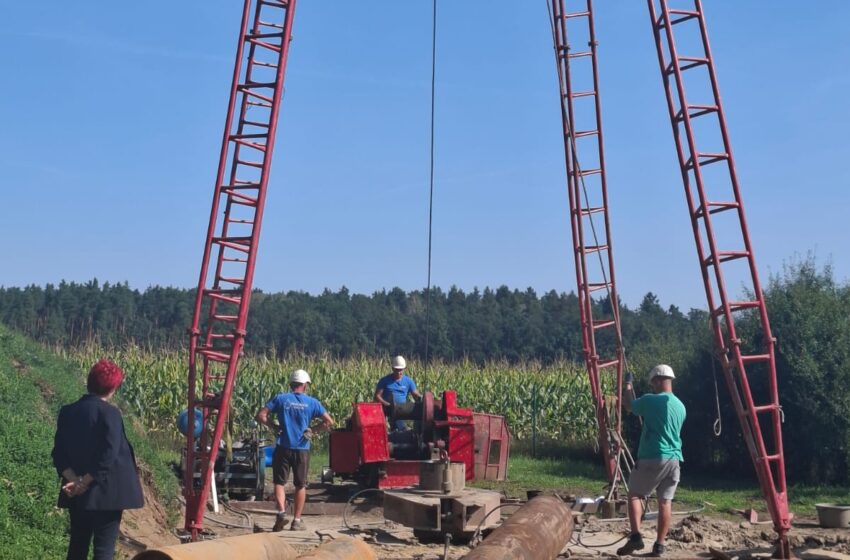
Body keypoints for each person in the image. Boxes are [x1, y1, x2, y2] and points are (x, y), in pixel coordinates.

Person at [51, 359, 144, 560]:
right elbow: (108, 455)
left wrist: (74, 481)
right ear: (113, 388)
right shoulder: (110, 413)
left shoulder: (68, 411)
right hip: (107, 493)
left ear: (89, 381)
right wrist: (85, 482)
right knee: (103, 549)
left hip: (74, 491)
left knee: (77, 546)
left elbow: (58, 453)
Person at [617, 364, 686, 558]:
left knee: (634, 495)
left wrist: (628, 385)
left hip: (652, 456)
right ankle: (659, 546)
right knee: (665, 501)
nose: (652, 386)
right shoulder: (681, 406)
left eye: (653, 383)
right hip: (674, 459)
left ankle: (636, 536)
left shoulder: (651, 400)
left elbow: (629, 405)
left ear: (657, 380)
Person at [256, 369, 334, 532]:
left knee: (279, 482)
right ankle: (297, 521)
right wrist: (313, 430)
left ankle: (281, 512)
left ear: (292, 384)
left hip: (283, 446)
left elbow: (261, 415)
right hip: (302, 449)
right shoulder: (312, 403)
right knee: (300, 485)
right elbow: (328, 421)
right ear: (305, 385)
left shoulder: (281, 399)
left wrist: (274, 426)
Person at [374, 355, 422, 431]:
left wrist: (421, 398)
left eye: (401, 370)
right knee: (397, 423)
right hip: (387, 409)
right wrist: (386, 404)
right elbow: (377, 396)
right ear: (393, 368)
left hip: (402, 410)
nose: (399, 372)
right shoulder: (384, 381)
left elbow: (415, 394)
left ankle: (404, 431)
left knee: (399, 423)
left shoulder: (408, 381)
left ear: (404, 369)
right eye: (397, 370)